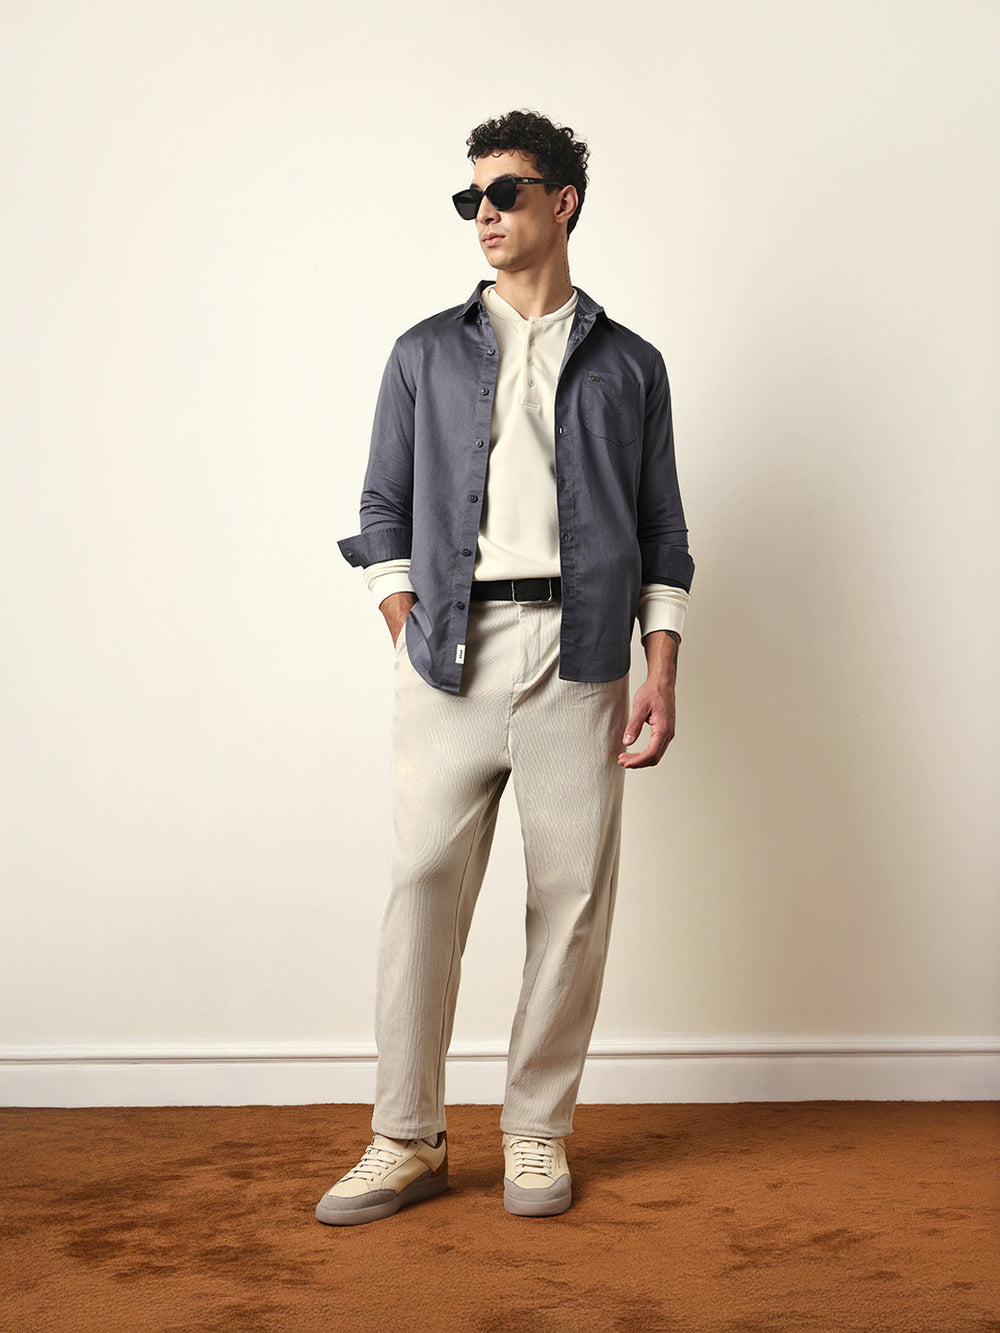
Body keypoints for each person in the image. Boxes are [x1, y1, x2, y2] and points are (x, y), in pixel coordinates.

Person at [317, 109, 694, 1226]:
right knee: (420, 891)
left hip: (583, 654)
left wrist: (659, 666)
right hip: (449, 651)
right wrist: (405, 624)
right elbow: (381, 507)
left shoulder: (631, 365)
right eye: (469, 197)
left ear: (561, 202)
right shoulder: (423, 353)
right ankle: (406, 1135)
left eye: (505, 192)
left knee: (569, 899)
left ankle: (536, 1129)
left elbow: (662, 531)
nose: (482, 213)